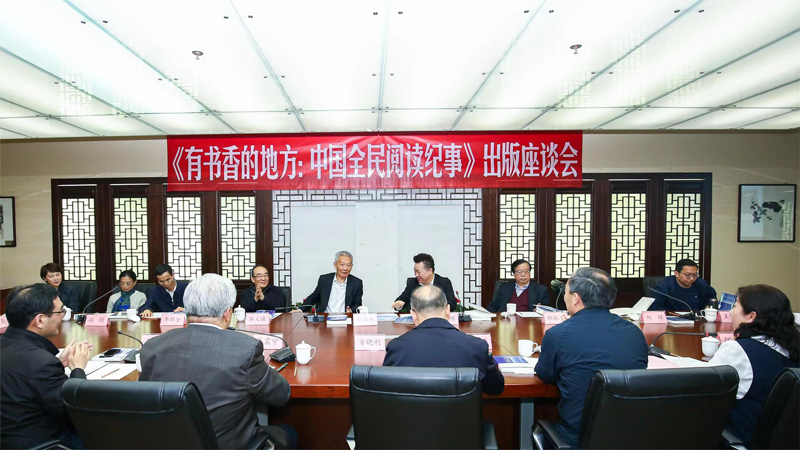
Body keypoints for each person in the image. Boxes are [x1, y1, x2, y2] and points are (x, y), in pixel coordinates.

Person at [139, 273, 295, 449]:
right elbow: (281, 394)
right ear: (227, 313)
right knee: (289, 433)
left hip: (167, 443)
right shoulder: (245, 349)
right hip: (227, 445)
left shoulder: (152, 347)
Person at [536, 267, 648, 447]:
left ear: (575, 298)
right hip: (629, 436)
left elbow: (546, 375)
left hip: (578, 438)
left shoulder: (558, 335)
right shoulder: (634, 332)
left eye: (566, 292)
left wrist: (566, 329)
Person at [0, 284, 91, 449]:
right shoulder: (41, 363)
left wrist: (58, 363)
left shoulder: (11, 346)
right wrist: (78, 370)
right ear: (40, 320)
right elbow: (76, 411)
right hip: (39, 441)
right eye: (60, 311)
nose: (63, 315)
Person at [708, 285, 800, 447]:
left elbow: (704, 391)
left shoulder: (738, 350)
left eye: (735, 306)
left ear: (751, 316)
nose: (730, 312)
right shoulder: (793, 347)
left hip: (740, 440)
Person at [383, 285, 504, 395]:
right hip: (460, 413)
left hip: (412, 412)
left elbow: (384, 389)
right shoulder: (476, 346)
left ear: (413, 314)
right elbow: (496, 388)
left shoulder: (397, 347)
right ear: (447, 310)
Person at [391, 253, 456, 312]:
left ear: (430, 271)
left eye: (418, 272)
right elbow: (402, 299)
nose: (416, 275)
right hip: (416, 319)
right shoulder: (412, 283)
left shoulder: (444, 282)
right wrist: (399, 304)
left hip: (436, 317)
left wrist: (436, 307)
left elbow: (452, 304)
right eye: (415, 271)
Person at [650, 259, 717, 311]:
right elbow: (655, 308)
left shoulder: (701, 283)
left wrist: (708, 307)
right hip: (673, 321)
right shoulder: (664, 287)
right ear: (676, 273)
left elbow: (712, 295)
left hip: (698, 320)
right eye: (688, 275)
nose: (692, 278)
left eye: (695, 275)